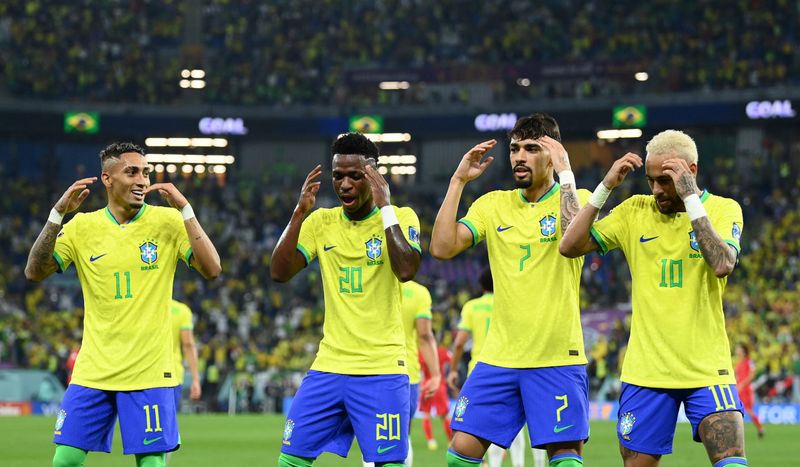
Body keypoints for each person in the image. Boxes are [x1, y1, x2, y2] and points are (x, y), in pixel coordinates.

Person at [24, 142, 221, 467]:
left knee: (151, 463)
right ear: (107, 178)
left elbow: (213, 269)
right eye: (132, 172)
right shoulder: (82, 227)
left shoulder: (168, 222)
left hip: (149, 371)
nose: (142, 180)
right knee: (64, 460)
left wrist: (186, 210)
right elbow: (34, 271)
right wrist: (57, 215)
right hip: (93, 370)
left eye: (146, 172)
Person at [559, 129, 747, 467]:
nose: (657, 190)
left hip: (706, 370)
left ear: (691, 172)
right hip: (646, 373)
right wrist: (605, 188)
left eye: (665, 180)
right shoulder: (635, 211)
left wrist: (690, 198)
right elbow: (569, 247)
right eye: (651, 180)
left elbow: (722, 263)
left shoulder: (723, 209)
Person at [430, 113, 591, 467]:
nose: (519, 156)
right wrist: (458, 180)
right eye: (515, 148)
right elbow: (442, 248)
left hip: (556, 356)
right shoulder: (493, 204)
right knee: (460, 456)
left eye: (532, 149)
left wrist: (566, 173)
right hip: (499, 357)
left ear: (553, 154)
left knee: (564, 459)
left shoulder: (579, 197)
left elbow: (575, 240)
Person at [271, 132, 422, 467]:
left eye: (356, 176)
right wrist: (299, 212)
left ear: (375, 177)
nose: (345, 185)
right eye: (338, 176)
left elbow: (407, 268)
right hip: (330, 366)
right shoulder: (321, 222)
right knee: (290, 459)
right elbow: (280, 272)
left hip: (382, 368)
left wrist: (385, 207)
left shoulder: (402, 216)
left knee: (388, 463)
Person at [448, 268, 534, 467]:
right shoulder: (511, 302)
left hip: (481, 371)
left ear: (481, 286)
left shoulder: (472, 306)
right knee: (518, 425)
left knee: (483, 427)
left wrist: (453, 370)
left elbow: (460, 343)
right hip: (512, 365)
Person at [364, 279, 441, 467]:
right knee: (402, 435)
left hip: (371, 368)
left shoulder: (372, 284)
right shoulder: (419, 292)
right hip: (406, 371)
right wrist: (436, 374)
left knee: (373, 435)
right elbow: (424, 335)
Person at [419, 343, 453, 451]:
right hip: (439, 384)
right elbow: (452, 359)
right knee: (444, 416)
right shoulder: (441, 351)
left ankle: (431, 441)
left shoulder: (422, 353)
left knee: (426, 414)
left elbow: (418, 367)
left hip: (426, 385)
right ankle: (451, 441)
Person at [734, 344, 764, 439]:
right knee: (737, 410)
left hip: (746, 390)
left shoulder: (749, 361)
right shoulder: (739, 363)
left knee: (749, 411)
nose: (737, 351)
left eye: (738, 349)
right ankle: (739, 431)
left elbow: (752, 375)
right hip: (739, 389)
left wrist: (742, 384)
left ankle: (760, 428)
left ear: (743, 351)